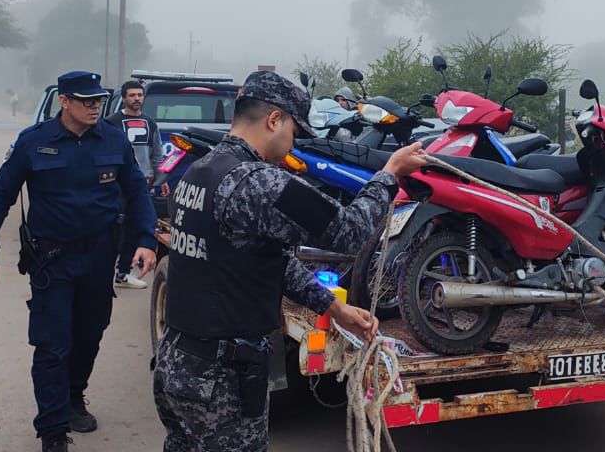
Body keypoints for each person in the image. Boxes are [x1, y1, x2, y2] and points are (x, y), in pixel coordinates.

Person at [152, 70, 428, 452]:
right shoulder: (258, 184)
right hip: (220, 378)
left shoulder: (199, 171)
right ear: (273, 120)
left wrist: (333, 307)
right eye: (294, 135)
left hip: (177, 364)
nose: (293, 147)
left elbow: (265, 259)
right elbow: (349, 231)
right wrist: (389, 174)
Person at [0, 70, 158, 452]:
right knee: (53, 345)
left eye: (98, 100)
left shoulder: (114, 140)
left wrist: (146, 240)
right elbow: (0, 195)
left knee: (90, 334)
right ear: (64, 101)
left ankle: (74, 395)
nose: (94, 106)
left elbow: (137, 193)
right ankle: (53, 431)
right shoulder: (33, 143)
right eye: (85, 100)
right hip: (51, 261)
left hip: (100, 257)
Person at [105, 79, 164, 289]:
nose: (137, 99)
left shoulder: (150, 123)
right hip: (115, 184)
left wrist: (160, 179)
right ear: (124, 98)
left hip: (142, 185)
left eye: (139, 95)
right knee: (112, 228)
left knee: (134, 228)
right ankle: (102, 272)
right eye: (132, 95)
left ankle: (123, 273)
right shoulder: (111, 122)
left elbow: (157, 154)